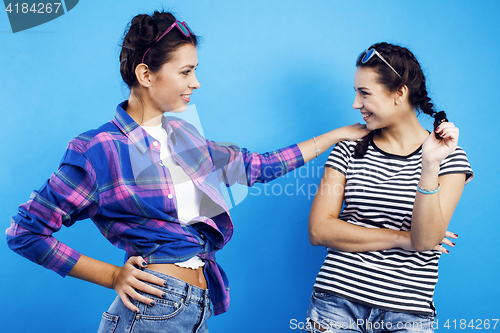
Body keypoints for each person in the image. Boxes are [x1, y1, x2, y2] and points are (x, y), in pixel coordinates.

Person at [5, 11, 369, 333]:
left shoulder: (184, 137)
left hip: (194, 310)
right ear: (146, 74)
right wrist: (113, 276)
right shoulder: (98, 149)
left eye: (195, 71)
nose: (196, 83)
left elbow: (256, 167)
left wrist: (338, 134)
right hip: (149, 314)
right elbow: (24, 232)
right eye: (186, 72)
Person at [305, 42, 473, 333]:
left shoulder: (449, 157)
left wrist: (430, 164)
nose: (355, 104)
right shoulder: (347, 148)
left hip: (408, 313)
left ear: (399, 94)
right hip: (336, 302)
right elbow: (319, 230)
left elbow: (426, 240)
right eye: (356, 92)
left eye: (364, 93)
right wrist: (402, 238)